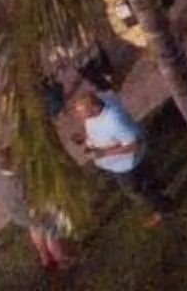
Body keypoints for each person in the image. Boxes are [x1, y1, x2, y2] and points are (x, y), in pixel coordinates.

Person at [68, 86, 168, 220]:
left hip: (127, 165)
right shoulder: (102, 100)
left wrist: (103, 152)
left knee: (135, 191)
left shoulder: (115, 121)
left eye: (82, 113)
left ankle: (162, 208)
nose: (78, 116)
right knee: (148, 178)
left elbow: (134, 145)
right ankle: (157, 186)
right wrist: (84, 137)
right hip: (120, 162)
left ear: (95, 109)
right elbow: (108, 98)